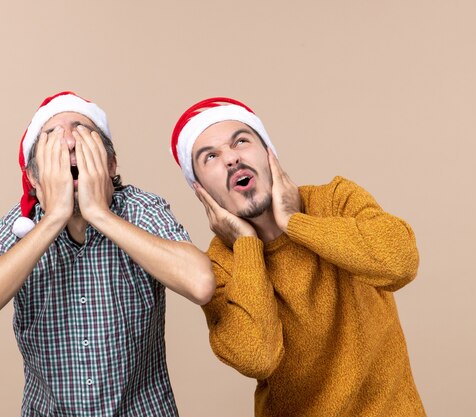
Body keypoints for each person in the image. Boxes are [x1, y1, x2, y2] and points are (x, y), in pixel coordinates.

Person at [0, 91, 215, 416]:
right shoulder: (19, 226)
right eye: (51, 137)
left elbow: (201, 283)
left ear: (110, 164)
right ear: (34, 177)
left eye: (81, 131)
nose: (68, 141)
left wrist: (99, 213)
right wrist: (53, 219)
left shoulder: (141, 209)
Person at [170, 97, 426, 417]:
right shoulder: (220, 264)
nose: (232, 159)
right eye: (210, 156)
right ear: (200, 190)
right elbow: (257, 357)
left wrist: (294, 222)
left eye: (242, 142)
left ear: (269, 154)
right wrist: (247, 244)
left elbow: (400, 263)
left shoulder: (335, 199)